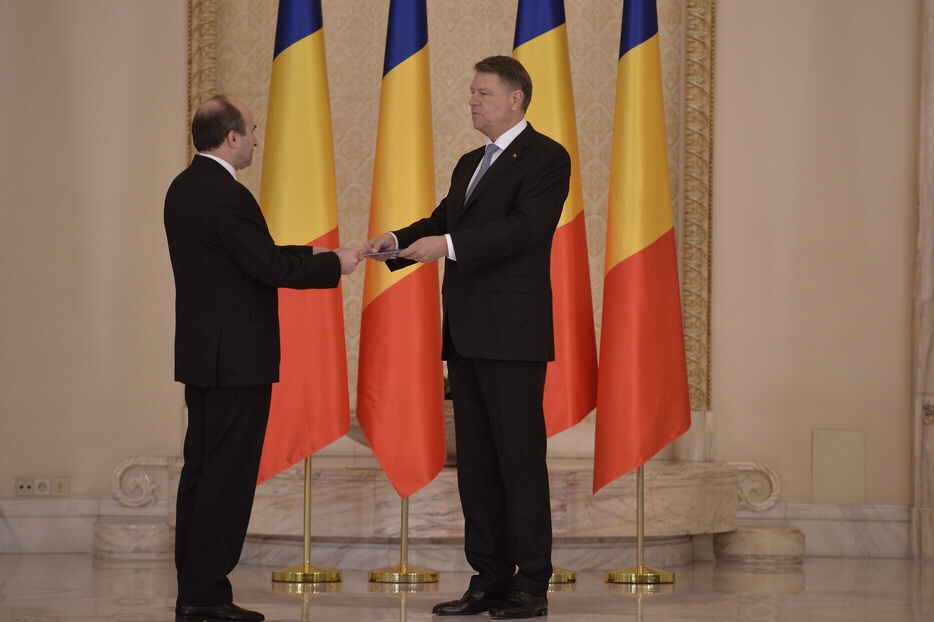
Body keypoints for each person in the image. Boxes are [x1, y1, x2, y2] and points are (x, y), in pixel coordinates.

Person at [364, 56, 570, 620]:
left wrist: (449, 246)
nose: (472, 101)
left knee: (519, 461)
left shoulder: (547, 157)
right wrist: (396, 241)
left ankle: (531, 584)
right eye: (472, 92)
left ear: (515, 99)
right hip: (466, 332)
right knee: (477, 465)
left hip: (513, 335)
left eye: (483, 92)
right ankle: (488, 579)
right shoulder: (469, 162)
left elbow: (524, 228)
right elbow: (443, 221)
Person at [164, 94, 362, 622]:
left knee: (201, 471)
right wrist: (333, 265)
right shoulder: (229, 195)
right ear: (231, 138)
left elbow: (244, 258)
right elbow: (266, 267)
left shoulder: (183, 188)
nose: (256, 138)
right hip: (238, 360)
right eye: (251, 130)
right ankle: (207, 595)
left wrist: (312, 253)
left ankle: (194, 587)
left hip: (203, 357)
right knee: (227, 477)